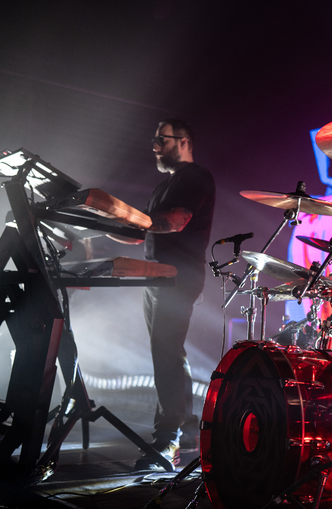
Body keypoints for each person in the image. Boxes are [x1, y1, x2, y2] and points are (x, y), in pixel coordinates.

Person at [115, 119, 215, 469]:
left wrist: (129, 219)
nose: (155, 145)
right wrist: (100, 220)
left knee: (166, 353)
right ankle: (182, 430)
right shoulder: (164, 186)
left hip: (176, 277)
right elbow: (140, 233)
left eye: (162, 139)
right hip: (155, 276)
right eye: (154, 139)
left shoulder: (195, 177)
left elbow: (175, 221)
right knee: (170, 353)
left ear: (184, 141)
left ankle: (167, 439)